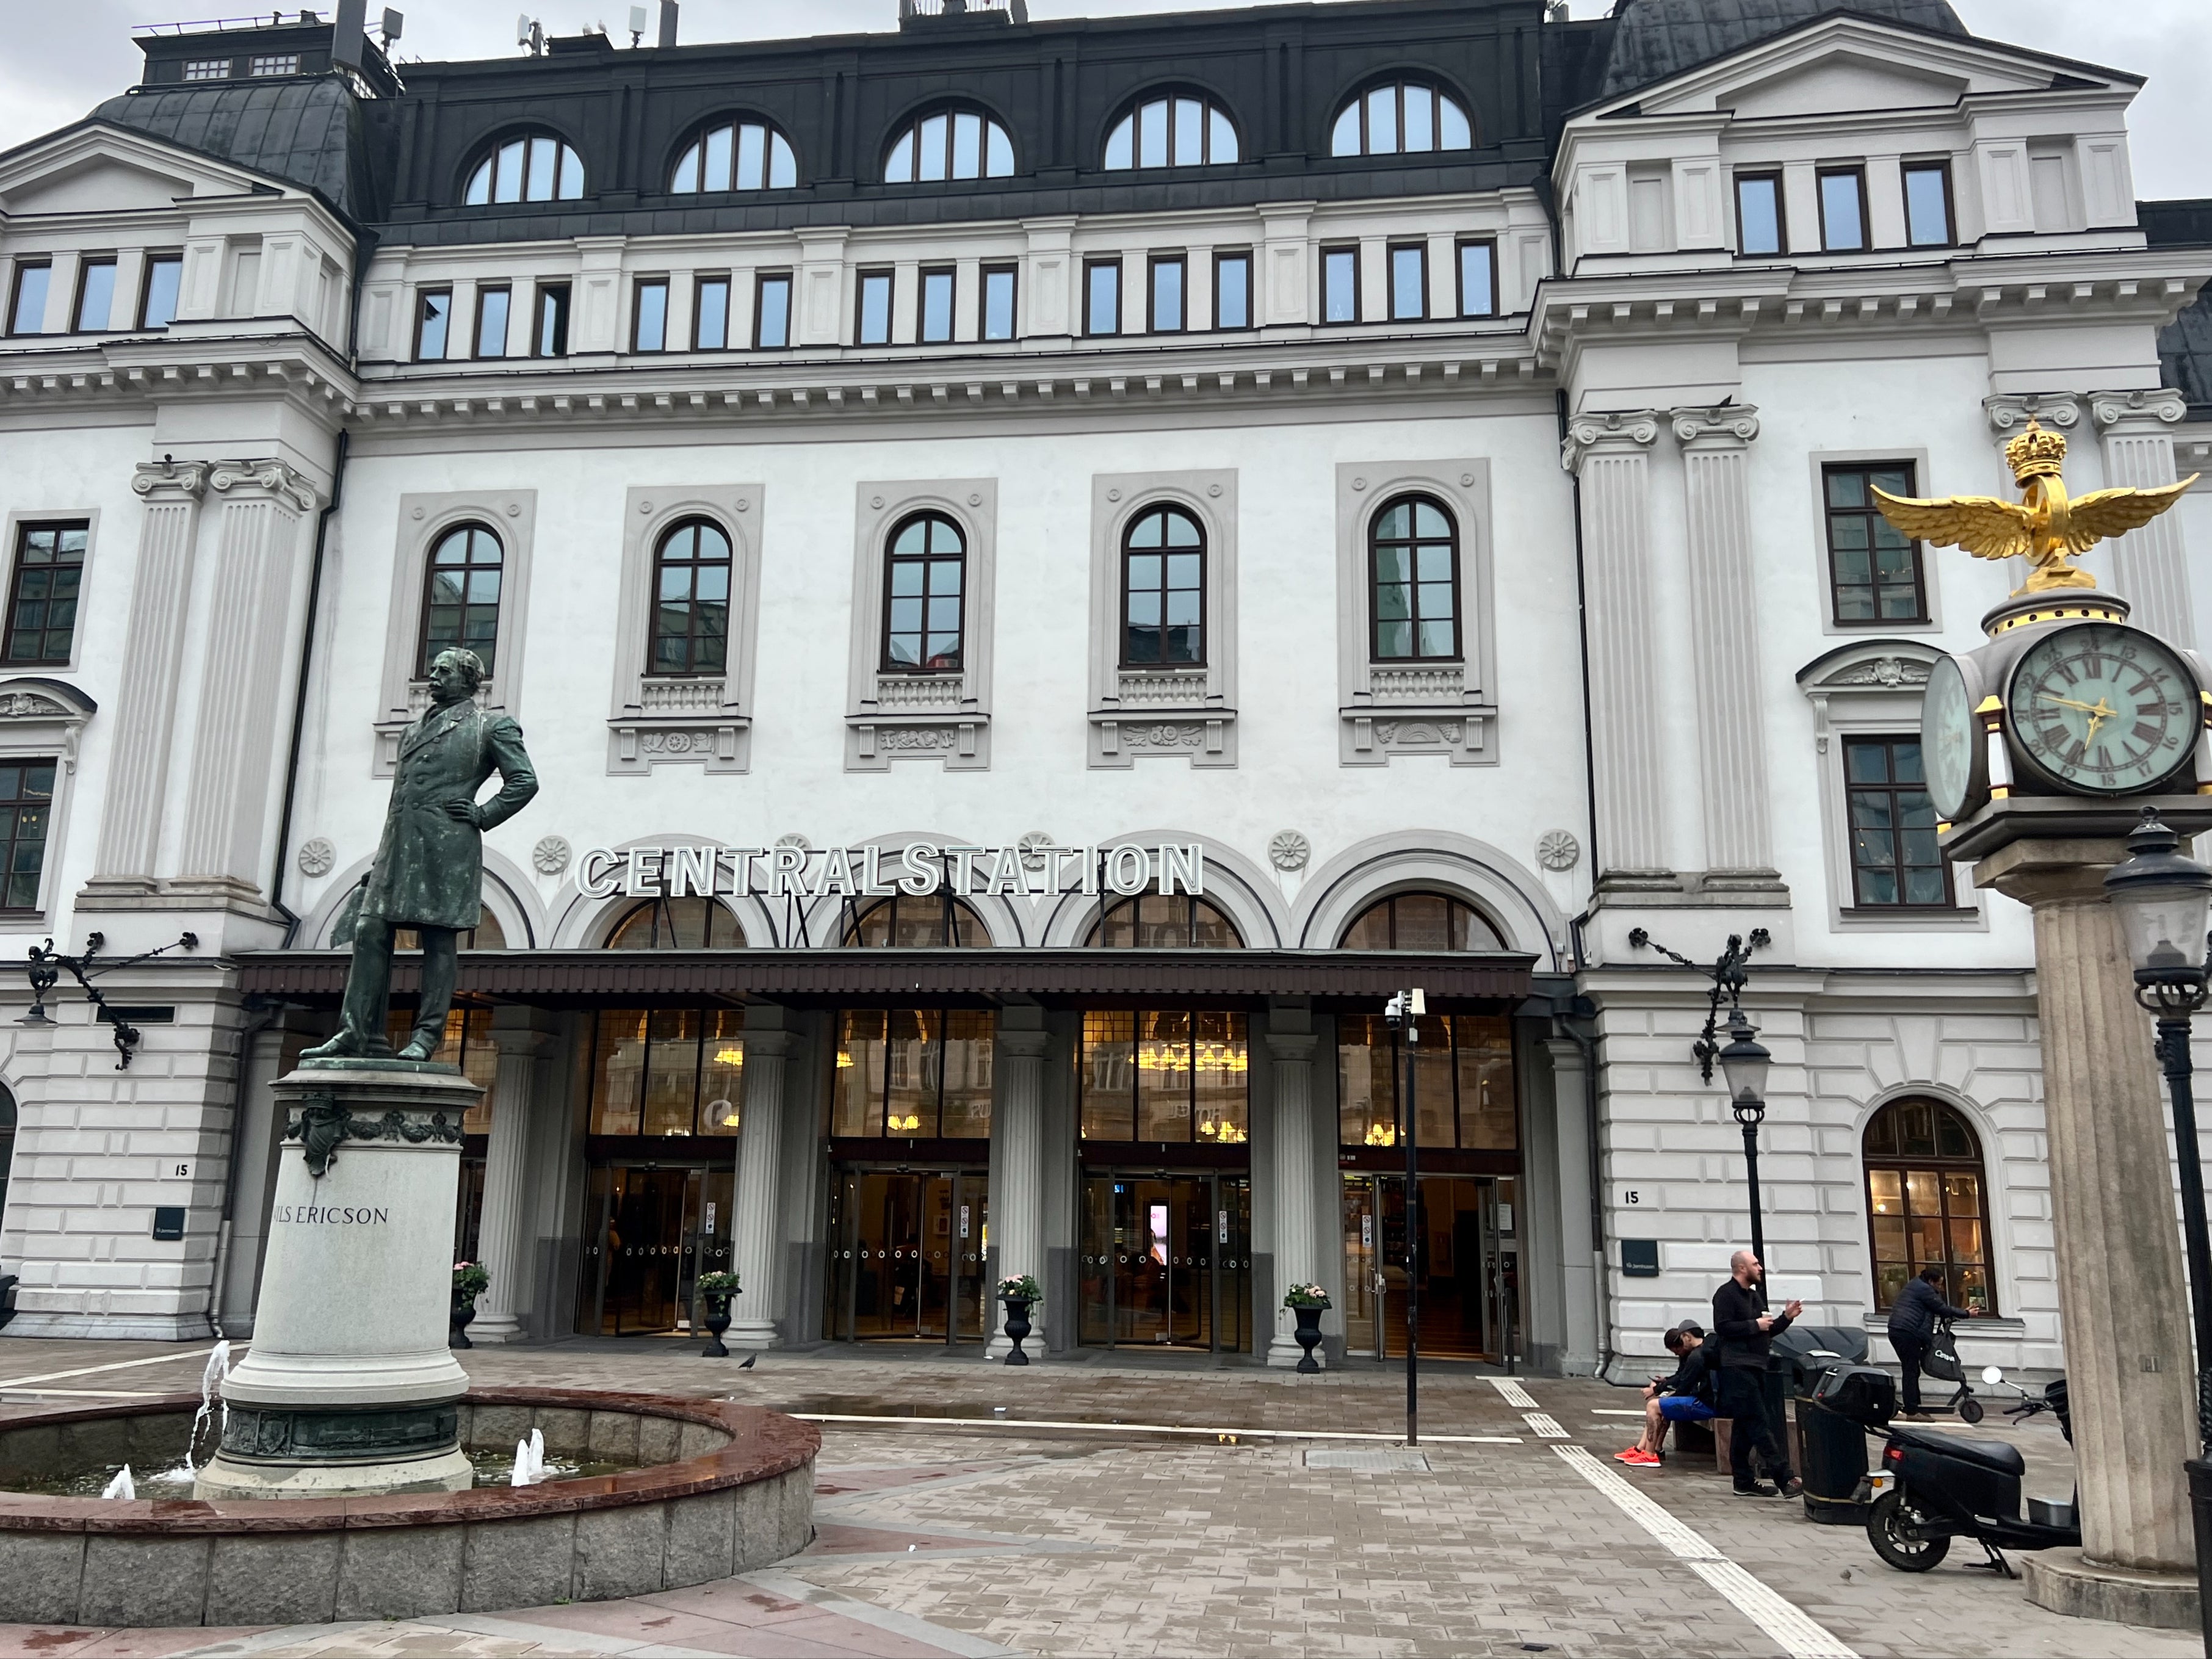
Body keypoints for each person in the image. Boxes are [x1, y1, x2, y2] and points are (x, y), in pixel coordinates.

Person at [302, 648, 538, 1061]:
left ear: (468, 680)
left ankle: (426, 1036)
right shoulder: (413, 731)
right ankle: (356, 1032)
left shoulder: (491, 726)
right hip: (400, 849)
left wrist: (483, 815)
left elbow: (524, 781)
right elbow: (399, 802)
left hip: (447, 848)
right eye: (432, 670)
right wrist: (381, 859)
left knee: (439, 941)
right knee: (369, 929)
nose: (433, 677)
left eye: (443, 671)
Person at [1711, 1249, 1803, 1498]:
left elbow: (1766, 1331)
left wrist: (1786, 1318)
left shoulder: (1754, 1297)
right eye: (1755, 1264)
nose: (1760, 1267)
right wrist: (1755, 1325)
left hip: (1756, 1366)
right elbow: (1723, 1327)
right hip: (1737, 1368)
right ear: (1742, 1268)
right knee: (1758, 1422)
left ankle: (1743, 1481)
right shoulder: (1725, 1294)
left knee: (1745, 1425)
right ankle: (1786, 1479)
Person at [1617, 1320, 1717, 1467]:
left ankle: (1649, 1455)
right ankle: (1647, 1449)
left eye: (1682, 1339)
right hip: (1708, 1400)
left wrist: (1664, 1393)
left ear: (1688, 1337)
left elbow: (1684, 1385)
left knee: (1654, 1406)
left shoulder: (1696, 1357)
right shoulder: (1706, 1350)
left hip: (1703, 1403)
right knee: (1662, 1404)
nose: (1681, 1343)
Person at [1887, 1266, 1978, 1418]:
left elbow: (1936, 1308)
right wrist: (1966, 1314)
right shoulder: (1923, 1289)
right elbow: (1940, 1307)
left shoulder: (1918, 1285)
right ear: (1931, 1281)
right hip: (1906, 1333)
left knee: (1912, 1370)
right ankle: (1912, 1411)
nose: (1940, 1287)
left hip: (1902, 1331)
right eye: (1939, 1284)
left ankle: (1915, 1408)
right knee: (1910, 1370)